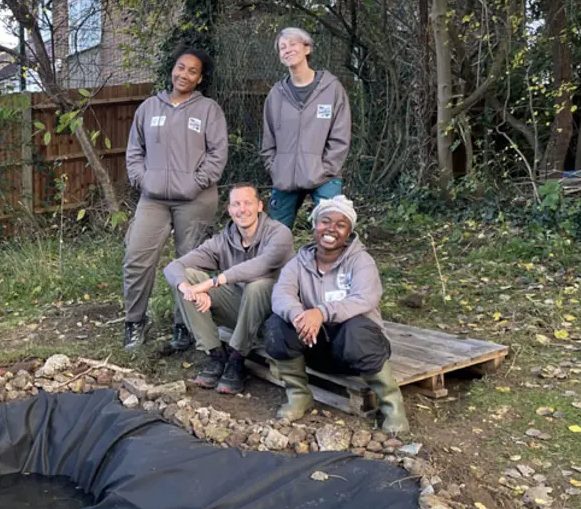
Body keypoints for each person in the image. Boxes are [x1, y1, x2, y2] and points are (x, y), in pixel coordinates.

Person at [264, 195, 407, 433]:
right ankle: (299, 395)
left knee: (356, 329)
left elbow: (365, 298)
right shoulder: (298, 263)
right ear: (314, 226)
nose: (331, 229)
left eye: (340, 225)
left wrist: (321, 312)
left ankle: (392, 407)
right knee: (277, 326)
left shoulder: (361, 262)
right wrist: (300, 315)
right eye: (325, 222)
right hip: (315, 349)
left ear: (349, 231)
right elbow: (281, 294)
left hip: (353, 352)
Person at [123, 46, 229, 352]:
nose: (184, 74)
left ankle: (184, 325)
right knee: (136, 256)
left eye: (192, 71)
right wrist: (143, 180)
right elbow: (134, 151)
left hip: (195, 199)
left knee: (190, 263)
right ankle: (134, 322)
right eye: (180, 67)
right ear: (173, 69)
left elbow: (217, 154)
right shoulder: (148, 108)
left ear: (200, 79)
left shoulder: (209, 110)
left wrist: (195, 183)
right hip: (153, 198)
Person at [163, 182, 294, 393]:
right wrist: (190, 288)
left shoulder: (279, 234)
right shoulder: (223, 241)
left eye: (248, 203)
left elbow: (261, 266)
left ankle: (237, 358)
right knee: (186, 277)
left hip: (274, 317)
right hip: (240, 309)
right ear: (229, 210)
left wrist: (214, 281)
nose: (242, 209)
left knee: (257, 286)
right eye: (236, 204)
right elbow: (173, 267)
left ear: (260, 206)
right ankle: (216, 355)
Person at [260, 27, 352, 229]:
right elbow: (268, 138)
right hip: (285, 177)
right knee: (273, 237)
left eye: (293, 44)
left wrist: (326, 169)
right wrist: (275, 167)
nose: (287, 50)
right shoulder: (276, 94)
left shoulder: (331, 89)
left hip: (324, 177)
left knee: (332, 231)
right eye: (282, 47)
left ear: (307, 48)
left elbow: (340, 134)